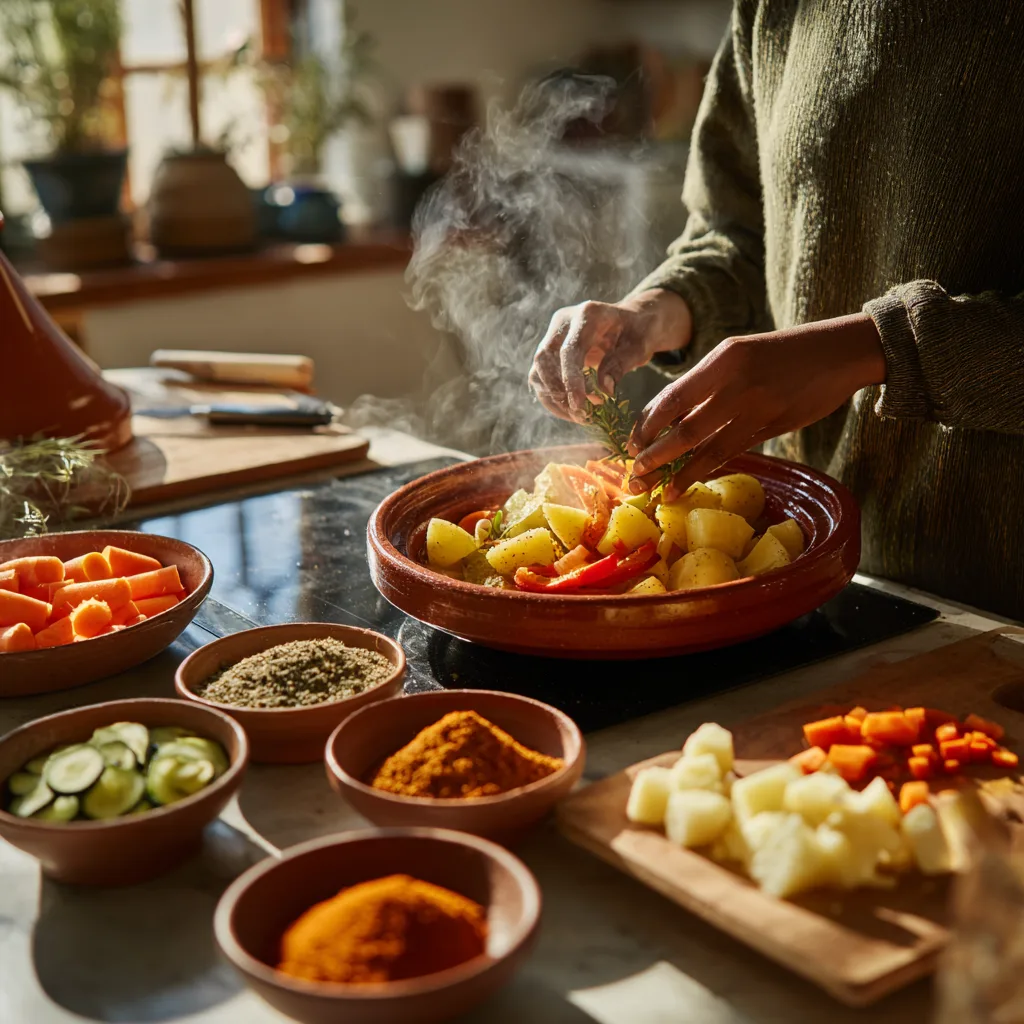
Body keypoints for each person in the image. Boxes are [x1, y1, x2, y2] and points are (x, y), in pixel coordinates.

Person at [530, 1, 1024, 618]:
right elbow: (736, 231)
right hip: (825, 571)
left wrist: (869, 348)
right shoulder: (772, 10)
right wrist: (654, 311)